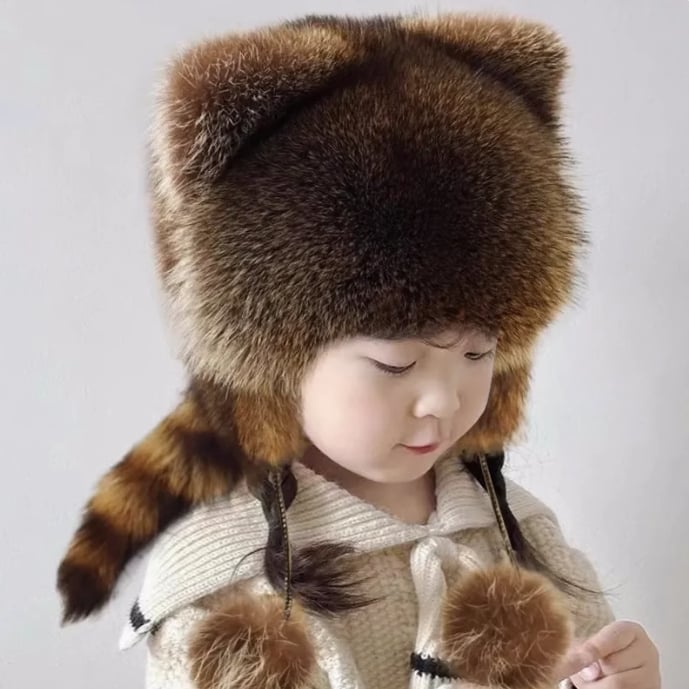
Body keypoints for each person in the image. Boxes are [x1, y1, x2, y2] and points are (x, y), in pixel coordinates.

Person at [56, 11, 661, 689]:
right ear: (277, 363)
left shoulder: (516, 532)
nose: (443, 399)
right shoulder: (228, 591)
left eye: (477, 353)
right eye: (395, 363)